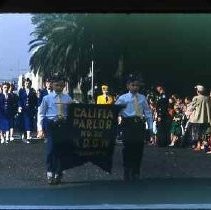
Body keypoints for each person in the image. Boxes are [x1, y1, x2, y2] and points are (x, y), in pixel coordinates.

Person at [115, 74, 153, 181]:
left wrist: (150, 128)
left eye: (137, 86)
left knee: (138, 148)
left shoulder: (142, 98)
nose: (135, 87)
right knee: (128, 148)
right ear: (128, 86)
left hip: (139, 125)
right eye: (133, 85)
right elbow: (114, 111)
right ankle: (127, 169)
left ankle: (136, 170)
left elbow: (148, 113)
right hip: (128, 124)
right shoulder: (122, 98)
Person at [37, 75, 73, 185]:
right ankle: (49, 172)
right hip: (51, 124)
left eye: (62, 85)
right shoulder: (46, 98)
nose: (60, 87)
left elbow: (72, 113)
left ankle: (58, 173)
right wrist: (40, 129)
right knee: (51, 149)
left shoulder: (68, 98)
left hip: (63, 125)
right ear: (52, 85)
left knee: (61, 150)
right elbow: (41, 113)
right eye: (57, 85)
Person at [189, 85, 211, 151]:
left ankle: (199, 146)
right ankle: (204, 146)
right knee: (205, 132)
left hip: (197, 119)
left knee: (197, 133)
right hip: (206, 119)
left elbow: (192, 108)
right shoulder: (208, 98)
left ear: (198, 91)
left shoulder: (196, 98)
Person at [18, 78, 38, 143]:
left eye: (28, 83)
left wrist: (35, 108)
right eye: (26, 83)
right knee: (24, 123)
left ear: (30, 84)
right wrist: (20, 106)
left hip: (30, 109)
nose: (27, 84)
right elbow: (20, 100)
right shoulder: (21, 91)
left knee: (29, 122)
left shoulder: (33, 91)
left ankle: (27, 137)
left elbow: (35, 100)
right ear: (24, 84)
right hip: (23, 110)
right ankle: (24, 136)